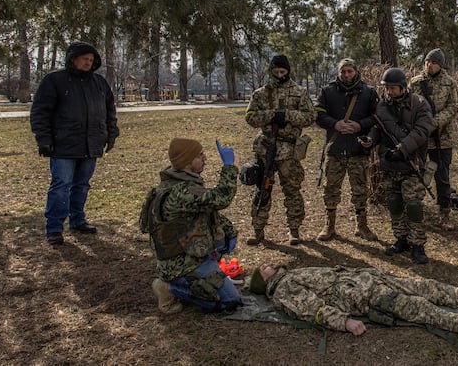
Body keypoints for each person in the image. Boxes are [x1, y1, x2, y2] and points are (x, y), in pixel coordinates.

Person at [249, 262, 458, 336]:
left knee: (429, 287)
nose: (268, 265)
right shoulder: (283, 289)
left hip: (370, 280)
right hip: (365, 296)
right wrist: (345, 322)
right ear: (265, 281)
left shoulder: (292, 273)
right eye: (264, 268)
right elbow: (312, 309)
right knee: (424, 309)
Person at [30, 41, 119, 246]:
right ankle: (54, 227)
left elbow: (109, 111)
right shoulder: (55, 81)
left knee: (82, 185)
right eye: (84, 59)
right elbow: (40, 113)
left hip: (91, 144)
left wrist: (110, 134)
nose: (88, 63)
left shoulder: (99, 83)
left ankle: (77, 220)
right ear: (73, 59)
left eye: (91, 60)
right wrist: (43, 139)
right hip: (63, 145)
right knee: (61, 185)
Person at [139, 138, 241, 314]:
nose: (204, 158)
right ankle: (169, 288)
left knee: (223, 238)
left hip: (191, 252)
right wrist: (229, 167)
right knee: (230, 300)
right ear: (187, 162)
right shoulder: (181, 191)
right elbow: (221, 199)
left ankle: (209, 273)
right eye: (199, 155)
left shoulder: (183, 182)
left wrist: (230, 232)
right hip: (180, 264)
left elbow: (207, 212)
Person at [362, 67, 435, 264]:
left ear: (402, 87)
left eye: (393, 88)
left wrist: (402, 149)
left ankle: (417, 244)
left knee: (413, 205)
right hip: (389, 163)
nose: (389, 92)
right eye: (387, 88)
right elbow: (378, 129)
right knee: (394, 203)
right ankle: (400, 239)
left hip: (412, 163)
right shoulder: (382, 106)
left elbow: (423, 130)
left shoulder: (419, 104)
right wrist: (370, 140)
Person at [245, 54, 316, 246]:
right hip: (266, 147)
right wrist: (271, 115)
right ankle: (258, 230)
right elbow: (250, 117)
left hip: (289, 149)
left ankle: (294, 231)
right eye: (276, 71)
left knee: (292, 191)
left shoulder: (299, 92)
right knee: (262, 189)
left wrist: (288, 116)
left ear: (288, 71)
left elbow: (310, 116)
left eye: (282, 71)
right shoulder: (260, 93)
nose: (279, 75)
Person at [314, 58, 379, 241]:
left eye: (350, 71)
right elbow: (318, 114)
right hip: (335, 149)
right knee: (331, 189)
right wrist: (335, 124)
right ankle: (329, 226)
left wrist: (361, 125)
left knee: (360, 189)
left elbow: (378, 116)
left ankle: (362, 226)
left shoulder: (369, 92)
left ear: (355, 71)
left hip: (358, 150)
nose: (347, 75)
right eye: (343, 71)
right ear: (339, 73)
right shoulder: (327, 91)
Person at [409, 48, 458, 230]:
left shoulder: (449, 83)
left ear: (441, 65)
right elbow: (408, 107)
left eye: (433, 62)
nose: (429, 65)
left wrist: (436, 121)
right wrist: (422, 125)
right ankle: (416, 211)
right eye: (427, 62)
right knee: (418, 174)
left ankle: (444, 213)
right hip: (421, 138)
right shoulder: (415, 83)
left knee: (442, 177)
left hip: (442, 138)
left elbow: (454, 107)